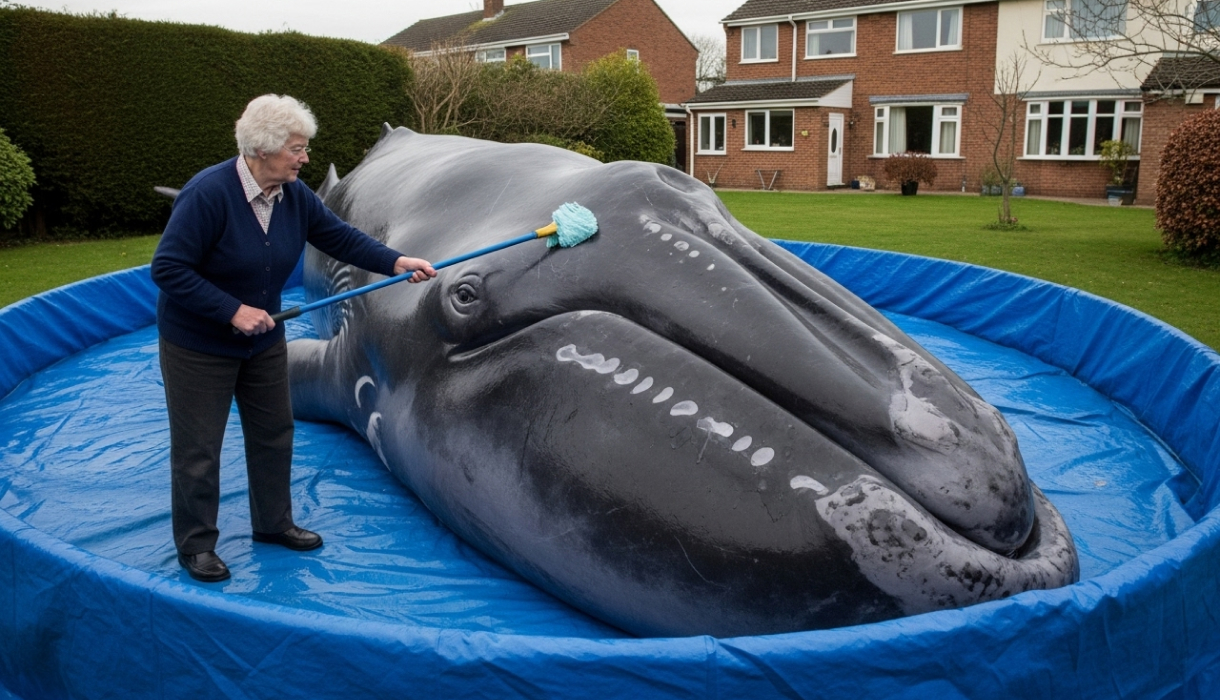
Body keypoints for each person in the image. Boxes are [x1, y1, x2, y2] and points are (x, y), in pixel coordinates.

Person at [151, 94, 436, 582]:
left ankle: (273, 523)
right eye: (297, 149)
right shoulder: (208, 194)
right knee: (199, 449)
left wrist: (394, 261)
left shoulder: (294, 195)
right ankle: (196, 545)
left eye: (304, 148)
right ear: (263, 150)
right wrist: (232, 310)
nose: (305, 158)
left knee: (274, 433)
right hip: (199, 346)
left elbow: (339, 237)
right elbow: (168, 268)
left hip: (263, 340)